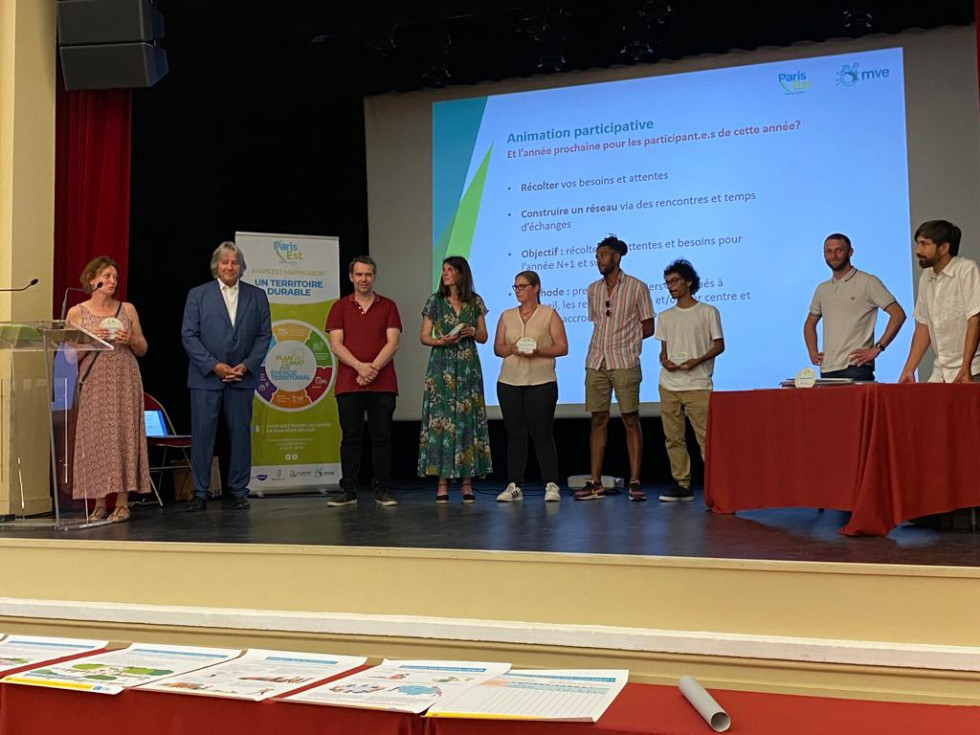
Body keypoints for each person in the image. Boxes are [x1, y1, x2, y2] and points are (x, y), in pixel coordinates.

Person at [181, 241, 271, 511]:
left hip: (242, 377)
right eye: (224, 262)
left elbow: (264, 335)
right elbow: (189, 335)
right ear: (216, 266)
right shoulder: (198, 295)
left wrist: (246, 365)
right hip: (205, 378)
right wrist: (214, 366)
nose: (229, 267)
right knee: (202, 436)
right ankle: (200, 492)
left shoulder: (257, 295)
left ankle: (239, 491)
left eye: (234, 262)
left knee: (241, 435)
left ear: (241, 267)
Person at [68, 256, 152, 522]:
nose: (112, 281)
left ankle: (123, 503)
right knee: (96, 439)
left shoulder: (127, 309)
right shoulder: (77, 312)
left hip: (125, 379)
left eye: (115, 277)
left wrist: (131, 338)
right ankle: (99, 503)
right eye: (106, 276)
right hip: (95, 382)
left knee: (124, 436)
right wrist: (91, 341)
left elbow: (142, 348)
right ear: (92, 279)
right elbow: (69, 357)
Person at [576, 235, 655, 502]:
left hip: (624, 361)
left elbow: (648, 326)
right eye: (597, 256)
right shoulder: (593, 289)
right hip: (596, 360)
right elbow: (599, 322)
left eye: (603, 255)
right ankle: (595, 481)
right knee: (598, 419)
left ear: (617, 257)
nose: (598, 260)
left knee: (630, 419)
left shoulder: (637, 287)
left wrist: (628, 342)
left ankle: (635, 480)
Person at [325, 256, 402, 508]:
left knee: (382, 437)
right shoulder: (339, 307)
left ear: (374, 277)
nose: (363, 279)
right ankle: (348, 490)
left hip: (383, 383)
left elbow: (393, 343)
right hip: (349, 382)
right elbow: (336, 345)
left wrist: (373, 369)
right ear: (351, 277)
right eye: (359, 275)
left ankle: (383, 489)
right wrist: (360, 367)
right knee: (351, 437)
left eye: (368, 274)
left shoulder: (388, 306)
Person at [418, 255, 492, 503]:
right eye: (443, 269)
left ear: (462, 273)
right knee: (441, 420)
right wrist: (441, 341)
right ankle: (442, 483)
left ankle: (467, 482)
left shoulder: (475, 301)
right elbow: (424, 336)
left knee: (466, 420)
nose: (445, 273)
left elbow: (484, 337)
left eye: (450, 269)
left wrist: (472, 331)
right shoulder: (435, 301)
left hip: (468, 367)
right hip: (442, 366)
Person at [493, 270, 569, 503]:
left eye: (522, 286)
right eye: (515, 287)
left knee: (542, 434)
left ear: (536, 288)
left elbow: (562, 347)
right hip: (509, 381)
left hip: (541, 381)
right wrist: (512, 348)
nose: (518, 291)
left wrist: (538, 351)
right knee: (515, 435)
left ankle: (551, 483)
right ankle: (514, 485)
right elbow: (498, 348)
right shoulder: (507, 315)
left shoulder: (549, 314)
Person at [654, 260, 724, 502]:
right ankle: (681, 483)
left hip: (698, 383)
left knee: (705, 437)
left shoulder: (707, 312)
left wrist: (698, 360)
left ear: (689, 282)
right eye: (667, 283)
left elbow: (719, 345)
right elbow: (664, 351)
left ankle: (716, 485)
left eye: (675, 281)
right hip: (669, 384)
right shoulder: (665, 316)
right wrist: (665, 361)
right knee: (673, 437)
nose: (671, 287)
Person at [804, 233, 906, 380]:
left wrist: (878, 348)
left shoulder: (868, 282)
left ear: (850, 252)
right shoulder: (822, 289)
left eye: (839, 250)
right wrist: (813, 353)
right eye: (828, 251)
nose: (833, 255)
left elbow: (898, 314)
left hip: (856, 367)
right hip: (827, 369)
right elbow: (809, 323)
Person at [899, 220, 980, 383]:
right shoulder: (926, 276)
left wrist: (966, 367)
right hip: (940, 372)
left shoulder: (966, 269)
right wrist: (909, 369)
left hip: (972, 370)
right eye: (918, 244)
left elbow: (975, 319)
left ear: (944, 248)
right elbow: (923, 325)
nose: (918, 251)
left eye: (924, 244)